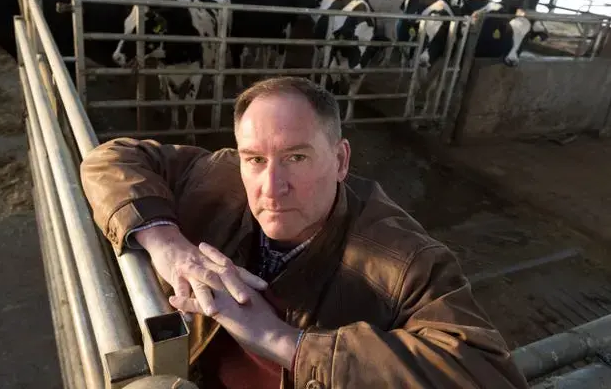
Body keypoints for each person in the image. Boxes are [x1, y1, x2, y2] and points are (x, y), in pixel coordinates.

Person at [80, 76, 528, 389]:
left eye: (296, 157)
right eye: (254, 158)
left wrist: (284, 341)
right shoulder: (220, 174)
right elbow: (109, 159)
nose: (271, 187)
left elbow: (488, 374)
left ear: (341, 160)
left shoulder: (406, 261)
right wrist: (167, 244)